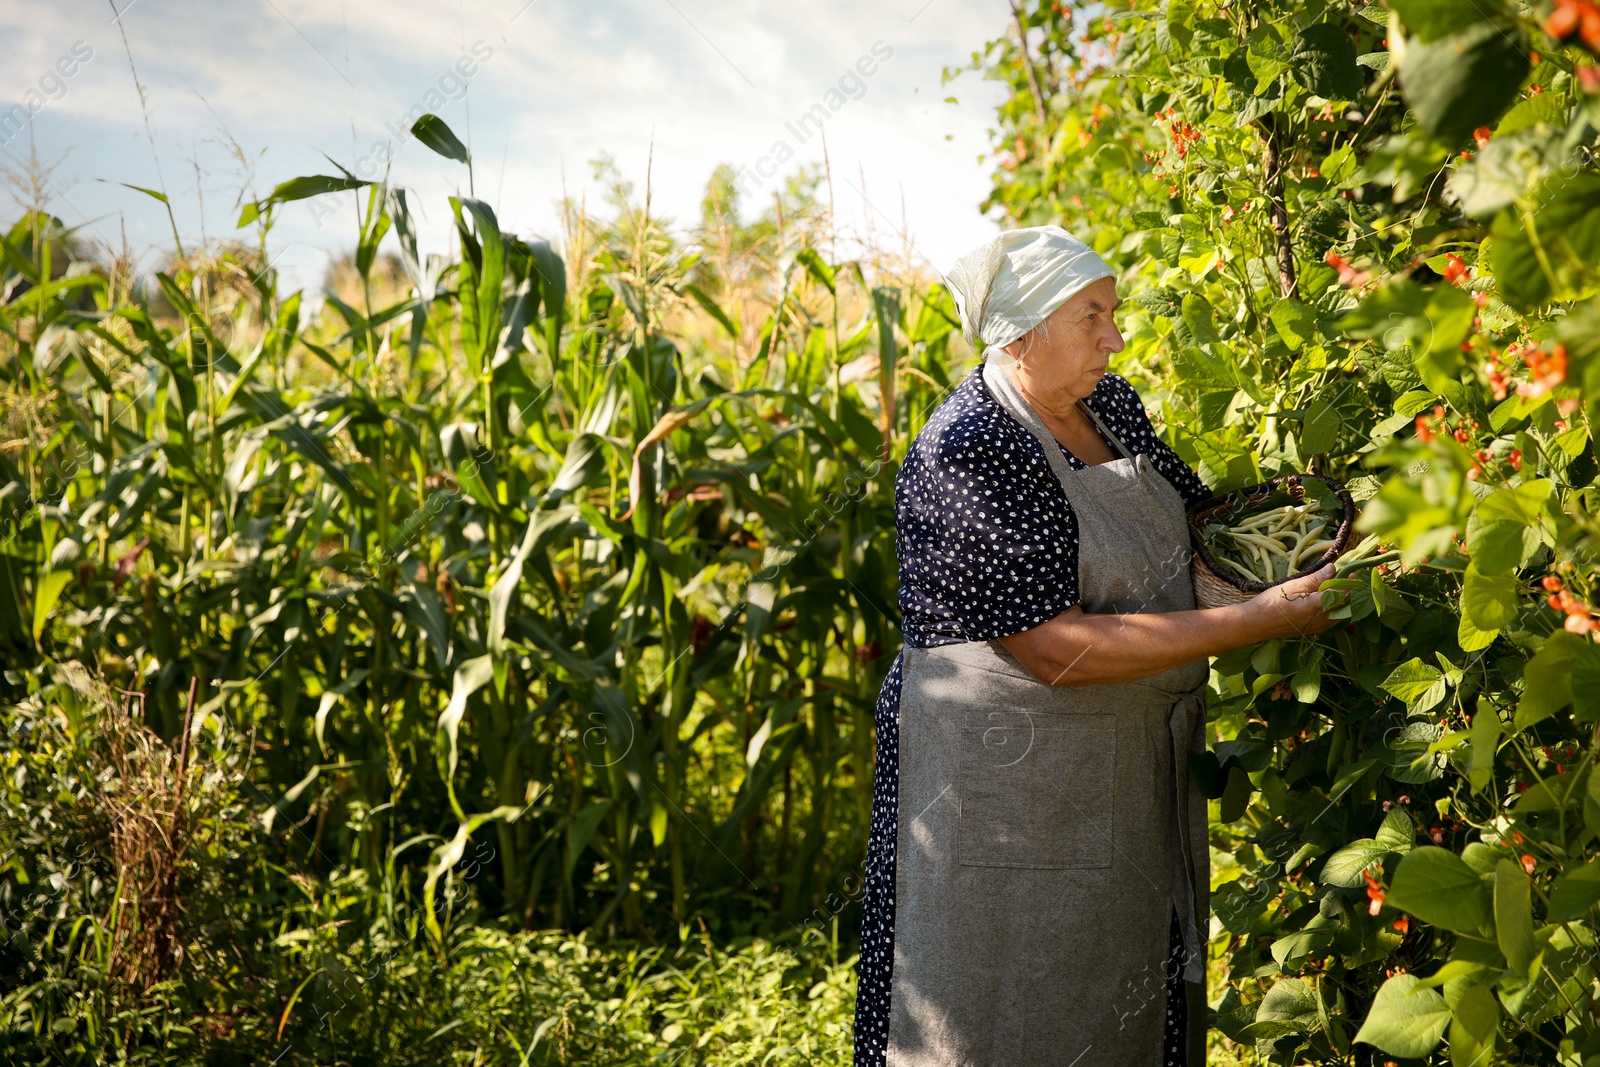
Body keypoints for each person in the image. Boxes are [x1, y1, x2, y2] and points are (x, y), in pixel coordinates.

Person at [852, 225, 1342, 1067]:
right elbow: (1054, 650)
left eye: (1111, 313)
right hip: (1004, 794)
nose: (1115, 337)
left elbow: (1195, 522)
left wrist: (1325, 525)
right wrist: (1264, 620)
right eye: (1091, 317)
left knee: (1113, 992)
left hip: (1111, 777)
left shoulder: (1108, 406)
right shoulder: (970, 448)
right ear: (1019, 333)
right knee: (1001, 1001)